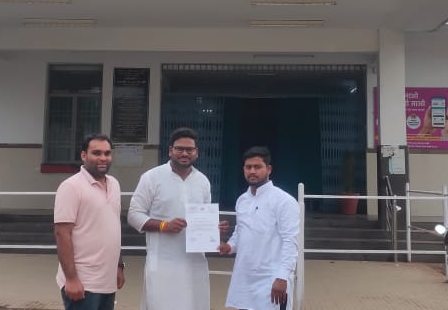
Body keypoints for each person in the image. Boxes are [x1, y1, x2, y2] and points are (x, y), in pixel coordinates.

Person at [128, 127, 228, 310]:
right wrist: (163, 225)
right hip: (163, 263)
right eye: (179, 149)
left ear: (197, 152)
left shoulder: (203, 181)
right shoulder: (152, 177)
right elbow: (134, 215)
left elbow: (203, 220)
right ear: (170, 150)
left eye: (189, 149)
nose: (184, 153)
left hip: (194, 264)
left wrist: (214, 230)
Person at [219, 147, 300, 310]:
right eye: (248, 167)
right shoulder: (242, 200)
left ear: (268, 169)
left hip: (271, 278)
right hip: (244, 278)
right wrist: (228, 246)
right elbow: (240, 233)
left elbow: (291, 241)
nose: (252, 171)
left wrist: (282, 277)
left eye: (257, 167)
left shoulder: (284, 201)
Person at [54, 133, 125, 310]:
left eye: (107, 153)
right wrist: (71, 279)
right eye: (96, 153)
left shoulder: (114, 184)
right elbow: (62, 233)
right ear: (83, 155)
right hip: (83, 282)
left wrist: (119, 265)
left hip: (107, 281)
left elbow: (113, 228)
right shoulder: (71, 187)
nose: (103, 158)